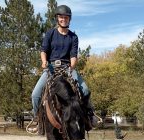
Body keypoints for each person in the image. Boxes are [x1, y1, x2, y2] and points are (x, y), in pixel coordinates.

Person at [29, 5, 99, 133]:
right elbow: (44, 50)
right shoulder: (50, 33)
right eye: (61, 17)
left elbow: (73, 56)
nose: (63, 19)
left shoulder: (73, 37)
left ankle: (90, 116)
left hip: (67, 67)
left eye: (66, 17)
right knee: (35, 94)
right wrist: (44, 62)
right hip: (50, 68)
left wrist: (71, 68)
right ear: (57, 18)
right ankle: (37, 119)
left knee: (85, 89)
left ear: (69, 19)